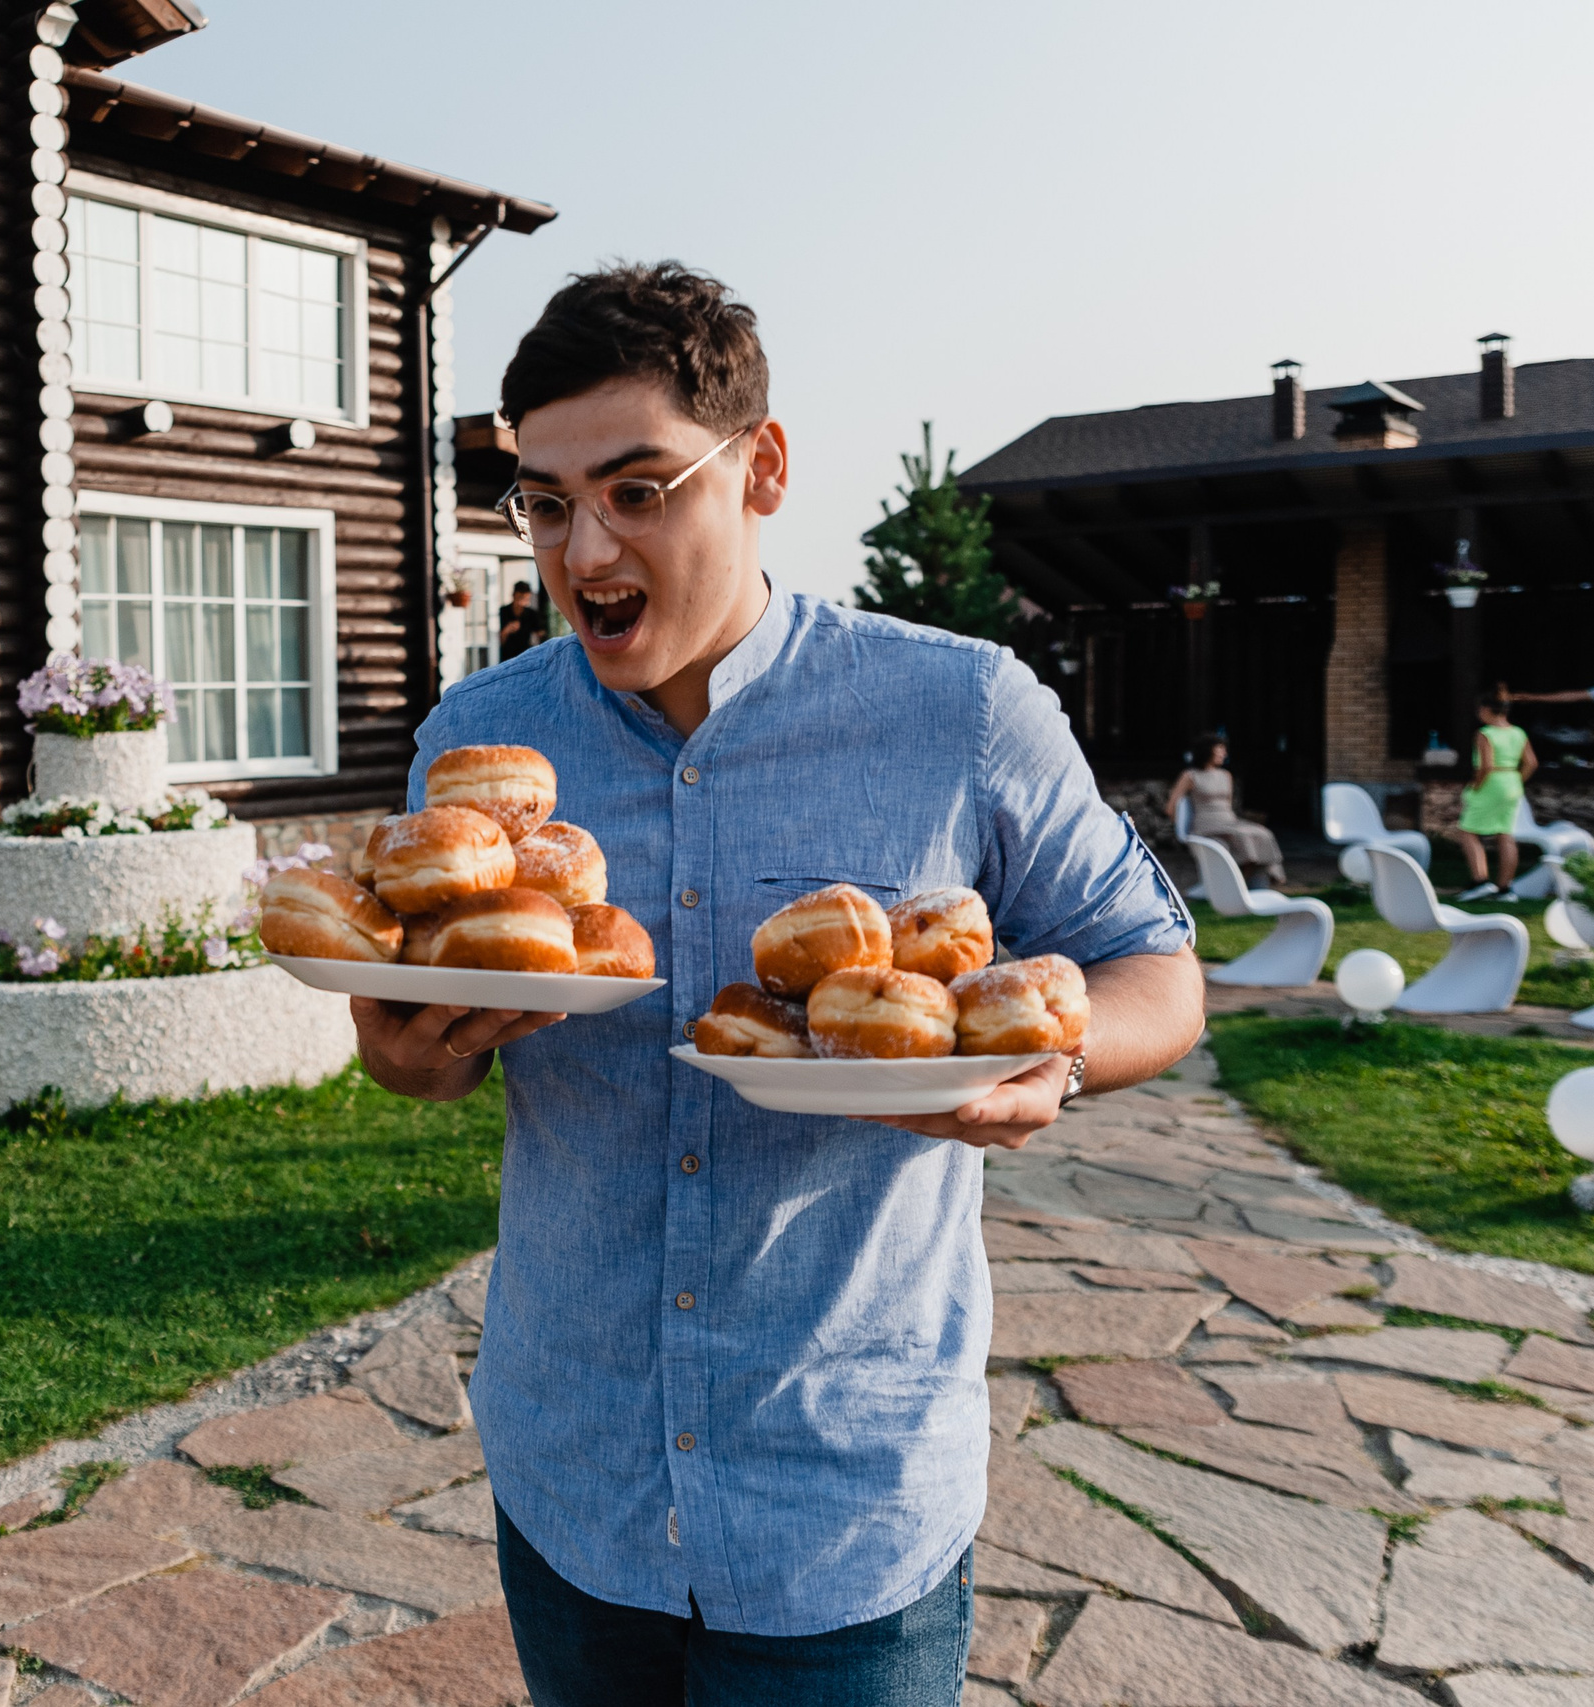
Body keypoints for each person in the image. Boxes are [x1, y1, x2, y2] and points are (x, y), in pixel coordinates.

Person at [348, 263, 1206, 1704]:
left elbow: (1159, 970)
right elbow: (417, 1033)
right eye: (546, 503)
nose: (584, 547)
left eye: (636, 488)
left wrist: (1050, 1065)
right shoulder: (482, 745)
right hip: (577, 1472)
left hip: (843, 1488)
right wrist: (409, 1054)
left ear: (764, 468)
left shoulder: (961, 708)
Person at [1452, 694, 1539, 900]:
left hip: (1492, 783)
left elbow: (1486, 766)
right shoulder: (1518, 732)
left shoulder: (1485, 734)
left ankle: (1480, 881)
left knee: (1467, 831)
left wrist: (1475, 785)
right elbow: (1531, 763)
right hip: (1512, 781)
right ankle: (1504, 889)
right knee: (1505, 834)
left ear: (1486, 710)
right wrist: (1517, 779)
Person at [1166, 738, 1285, 887]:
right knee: (1244, 836)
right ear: (1207, 751)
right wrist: (1180, 831)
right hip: (1206, 823)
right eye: (1220, 749)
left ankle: (1243, 881)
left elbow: (1227, 805)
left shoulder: (1226, 775)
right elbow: (1171, 806)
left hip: (1229, 821)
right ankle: (1237, 883)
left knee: (1263, 834)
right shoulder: (1190, 775)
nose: (1224, 753)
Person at [498, 579, 548, 658]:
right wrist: (507, 630)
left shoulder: (531, 613)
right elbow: (498, 641)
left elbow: (540, 633)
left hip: (525, 655)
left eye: (526, 599)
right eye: (520, 598)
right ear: (514, 595)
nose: (522, 602)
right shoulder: (504, 611)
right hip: (507, 656)